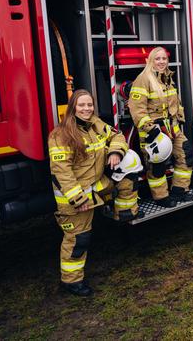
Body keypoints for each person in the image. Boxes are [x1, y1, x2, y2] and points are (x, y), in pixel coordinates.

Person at [49, 89, 140, 296]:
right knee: (78, 239)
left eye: (89, 105)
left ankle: (125, 214)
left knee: (131, 162)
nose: (86, 109)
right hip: (75, 197)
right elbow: (61, 173)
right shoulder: (60, 135)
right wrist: (77, 199)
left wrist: (116, 152)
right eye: (81, 105)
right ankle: (71, 281)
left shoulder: (95, 125)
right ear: (73, 108)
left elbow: (117, 135)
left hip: (96, 187)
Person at [130, 47, 193, 207]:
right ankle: (161, 197)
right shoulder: (143, 79)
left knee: (186, 153)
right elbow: (137, 108)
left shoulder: (167, 77)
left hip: (172, 128)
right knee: (157, 166)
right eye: (157, 59)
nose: (161, 62)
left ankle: (180, 190)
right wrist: (150, 129)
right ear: (151, 60)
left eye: (164, 58)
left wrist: (180, 117)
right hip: (154, 131)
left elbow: (175, 102)